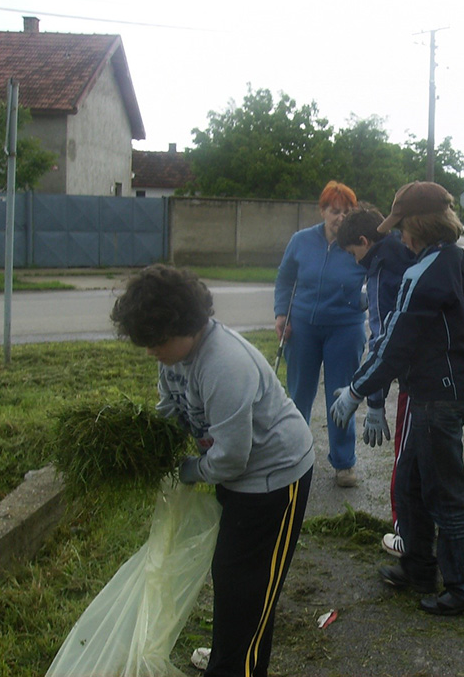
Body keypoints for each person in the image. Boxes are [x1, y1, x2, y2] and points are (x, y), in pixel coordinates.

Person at [111, 265, 314, 677]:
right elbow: (169, 411)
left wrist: (187, 471)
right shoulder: (173, 356)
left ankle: (236, 663)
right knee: (230, 574)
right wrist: (150, 453)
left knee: (250, 588)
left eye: (156, 342)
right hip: (238, 477)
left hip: (276, 480)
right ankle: (231, 649)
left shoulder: (224, 366)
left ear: (186, 325)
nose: (151, 351)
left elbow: (231, 458)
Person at [330, 181, 464, 617]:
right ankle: (418, 566)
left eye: (400, 228)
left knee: (443, 491)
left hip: (437, 393)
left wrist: (358, 390)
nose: (398, 237)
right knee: (411, 480)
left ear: (416, 226)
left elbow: (396, 341)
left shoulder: (423, 273)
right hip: (458, 389)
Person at [274, 180, 367, 487]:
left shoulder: (361, 242)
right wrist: (281, 315)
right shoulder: (301, 240)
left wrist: (364, 301)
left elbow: (380, 279)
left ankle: (344, 463)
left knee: (341, 396)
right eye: (334, 210)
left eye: (346, 211)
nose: (340, 217)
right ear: (323, 210)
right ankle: (293, 457)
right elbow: (285, 279)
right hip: (303, 329)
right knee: (298, 395)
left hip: (345, 329)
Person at [336, 204, 416, 557]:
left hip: (419, 380)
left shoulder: (381, 269)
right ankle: (444, 529)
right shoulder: (409, 251)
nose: (355, 262)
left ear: (365, 241)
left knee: (406, 459)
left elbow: (383, 342)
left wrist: (372, 401)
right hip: (452, 373)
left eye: (354, 253)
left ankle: (408, 535)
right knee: (440, 459)